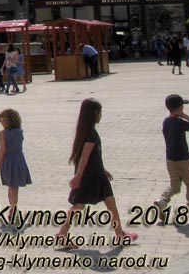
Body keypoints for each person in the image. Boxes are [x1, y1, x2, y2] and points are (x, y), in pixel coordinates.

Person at [55, 98, 137, 247]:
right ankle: (62, 234)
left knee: (101, 204)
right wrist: (78, 177)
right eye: (100, 112)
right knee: (82, 206)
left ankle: (119, 235)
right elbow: (85, 157)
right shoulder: (91, 133)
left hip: (95, 174)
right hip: (91, 177)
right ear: (94, 113)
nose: (101, 115)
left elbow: (91, 156)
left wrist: (102, 169)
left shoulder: (84, 131)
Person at [154, 94, 189, 220]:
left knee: (175, 185)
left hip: (170, 159)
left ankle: (162, 200)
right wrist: (185, 116)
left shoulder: (166, 121)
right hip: (184, 159)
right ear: (179, 107)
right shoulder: (179, 122)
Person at [0, 108, 31, 222]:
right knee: (14, 187)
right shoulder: (20, 131)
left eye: (2, 119)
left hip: (8, 161)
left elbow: (2, 149)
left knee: (11, 186)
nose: (0, 122)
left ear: (9, 120)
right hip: (19, 159)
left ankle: (12, 209)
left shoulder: (2, 134)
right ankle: (13, 208)